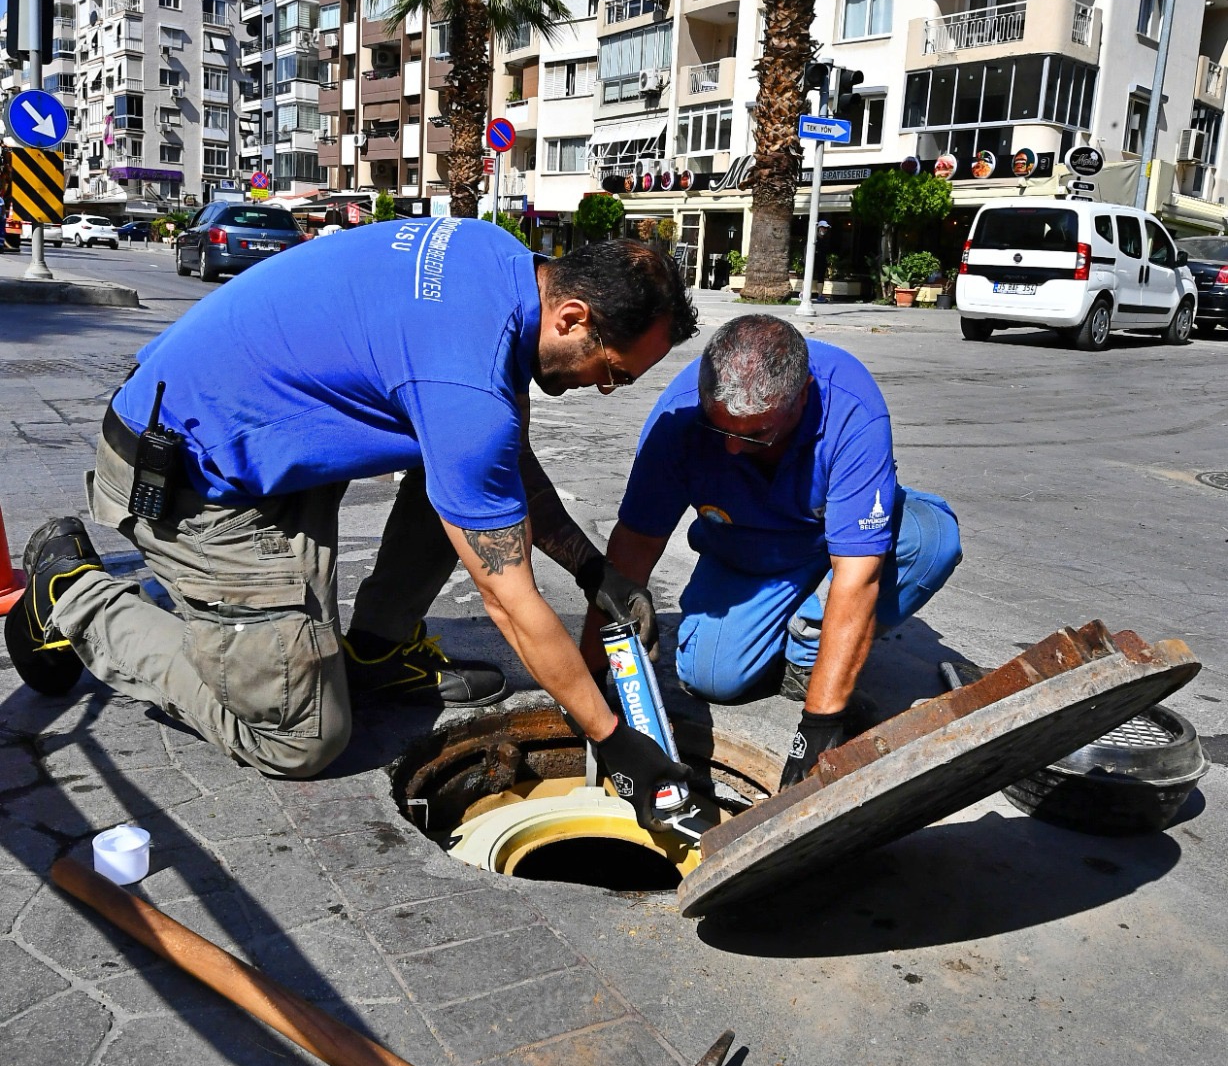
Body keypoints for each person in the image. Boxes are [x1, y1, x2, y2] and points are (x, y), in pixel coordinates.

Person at [7, 220, 700, 822]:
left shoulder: (498, 261)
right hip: (193, 489)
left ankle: (373, 652)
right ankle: (73, 596)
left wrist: (591, 569)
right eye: (611, 371)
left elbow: (496, 463)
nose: (604, 388)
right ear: (573, 316)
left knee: (467, 476)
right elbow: (510, 603)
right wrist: (614, 740)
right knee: (301, 737)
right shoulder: (465, 387)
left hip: (257, 444)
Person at [581, 315, 962, 789]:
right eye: (722, 433)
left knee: (931, 541)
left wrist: (818, 731)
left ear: (802, 394)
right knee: (713, 678)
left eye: (756, 435)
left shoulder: (851, 407)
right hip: (747, 556)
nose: (734, 452)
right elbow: (633, 548)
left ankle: (808, 654)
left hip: (837, 543)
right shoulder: (678, 418)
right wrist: (593, 679)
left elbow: (859, 575)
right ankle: (791, 629)